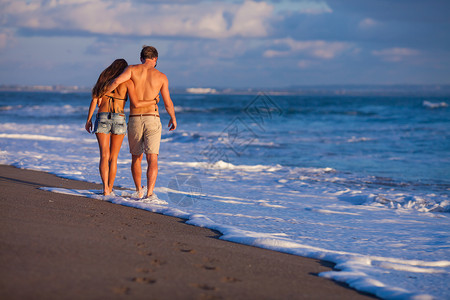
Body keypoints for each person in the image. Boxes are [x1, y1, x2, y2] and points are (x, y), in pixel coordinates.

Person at [105, 46, 177, 200]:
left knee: (136, 157)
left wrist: (103, 96)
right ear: (155, 59)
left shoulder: (131, 70)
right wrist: (173, 117)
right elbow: (168, 102)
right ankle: (149, 194)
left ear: (141, 58)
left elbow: (116, 81)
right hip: (152, 117)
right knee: (152, 158)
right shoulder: (161, 76)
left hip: (135, 119)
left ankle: (139, 190)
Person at [85, 59, 155, 195]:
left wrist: (88, 120)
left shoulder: (103, 81)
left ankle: (105, 188)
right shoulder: (127, 82)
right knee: (113, 157)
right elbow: (135, 102)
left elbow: (94, 100)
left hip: (103, 116)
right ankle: (110, 188)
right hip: (119, 117)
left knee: (104, 156)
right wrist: (153, 100)